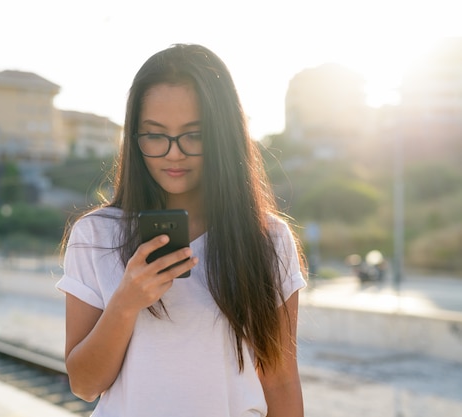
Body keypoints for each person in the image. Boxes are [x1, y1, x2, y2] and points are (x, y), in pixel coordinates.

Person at [56, 43, 307, 417]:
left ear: (224, 136)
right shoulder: (95, 236)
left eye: (194, 134)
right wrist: (125, 303)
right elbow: (85, 384)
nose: (174, 153)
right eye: (155, 135)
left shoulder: (268, 239)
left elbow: (281, 381)